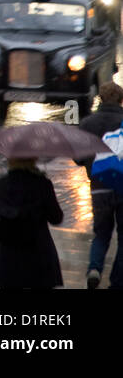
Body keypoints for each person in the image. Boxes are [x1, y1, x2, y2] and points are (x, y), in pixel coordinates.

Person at [77, 81, 123, 289]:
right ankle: (117, 280)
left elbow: (78, 157)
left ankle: (94, 268)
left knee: (101, 233)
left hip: (99, 186)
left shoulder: (88, 123)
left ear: (101, 99)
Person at [0, 158, 63, 289]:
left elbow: (1, 213)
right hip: (39, 252)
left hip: (9, 253)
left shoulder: (0, 184)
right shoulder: (42, 183)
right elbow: (56, 218)